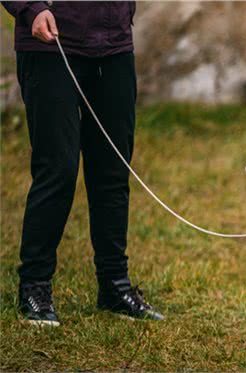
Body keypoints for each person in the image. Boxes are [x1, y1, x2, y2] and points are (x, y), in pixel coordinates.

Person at [2, 1, 163, 325]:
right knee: (58, 169)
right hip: (51, 43)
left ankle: (115, 286)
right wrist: (30, 8)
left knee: (113, 170)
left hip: (114, 44)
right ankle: (35, 286)